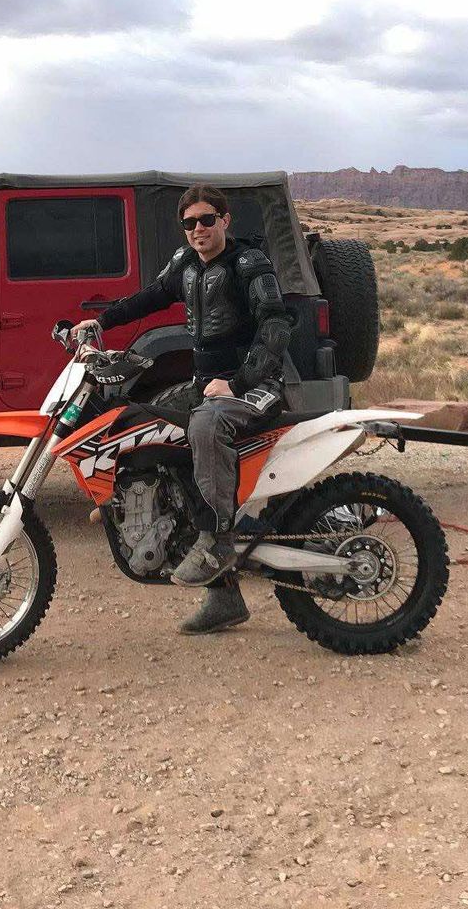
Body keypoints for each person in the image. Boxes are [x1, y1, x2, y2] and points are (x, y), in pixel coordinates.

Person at [72, 184, 293, 635]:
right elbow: (150, 297)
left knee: (206, 426)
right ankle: (217, 590)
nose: (198, 229)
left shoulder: (249, 264)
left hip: (254, 386)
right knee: (138, 422)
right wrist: (102, 321)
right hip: (203, 385)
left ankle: (218, 540)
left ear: (225, 220)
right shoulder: (185, 265)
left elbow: (276, 326)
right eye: (189, 223)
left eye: (207, 220)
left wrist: (238, 382)